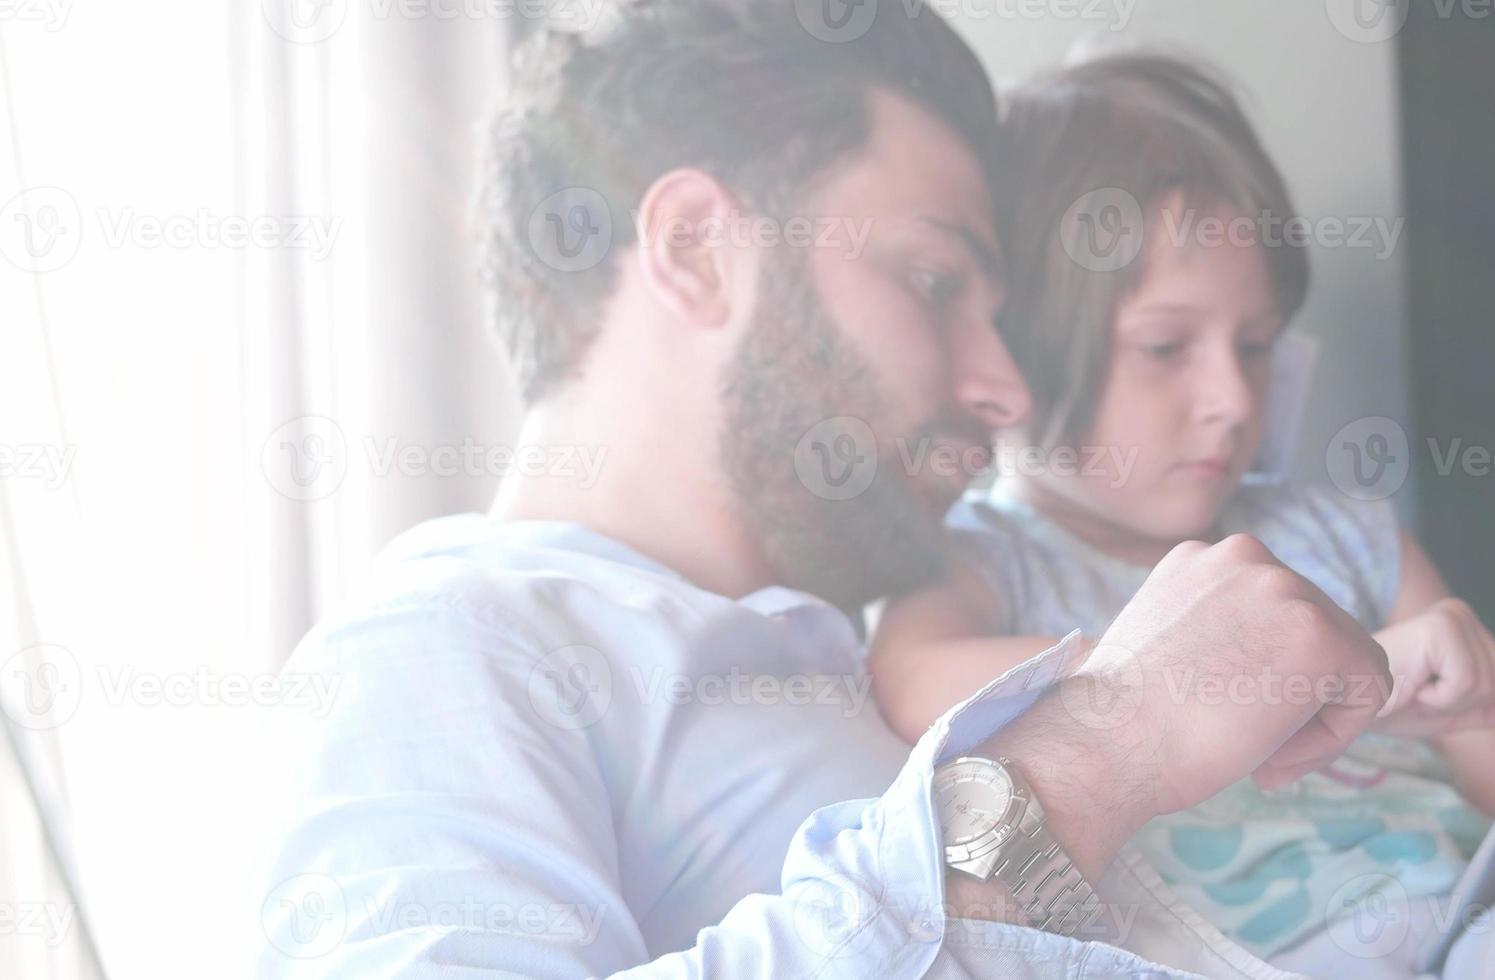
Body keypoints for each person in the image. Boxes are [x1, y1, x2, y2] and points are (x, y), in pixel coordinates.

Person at [254, 4, 1403, 979]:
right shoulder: (447, 647)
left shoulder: (849, 668)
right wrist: (1103, 746)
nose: (1003, 389)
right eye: (933, 279)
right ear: (697, 247)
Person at [867, 53, 1495, 979]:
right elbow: (905, 683)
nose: (1228, 397)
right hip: (1232, 964)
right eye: (1165, 346)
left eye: (1254, 347)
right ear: (1022, 344)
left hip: (1465, 945)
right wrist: (1240, 663)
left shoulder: (1349, 540)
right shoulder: (985, 562)